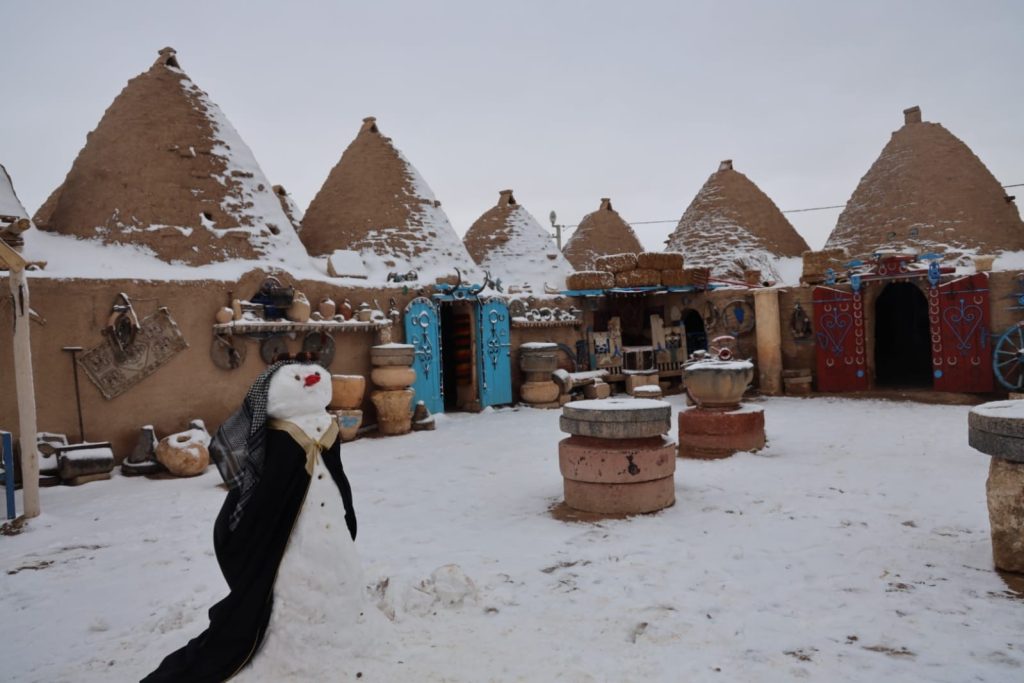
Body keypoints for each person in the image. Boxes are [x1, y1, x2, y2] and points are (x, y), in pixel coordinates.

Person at [142, 354, 359, 682]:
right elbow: (268, 490)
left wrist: (346, 513)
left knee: (333, 579)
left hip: (329, 536)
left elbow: (337, 472)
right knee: (286, 588)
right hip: (292, 546)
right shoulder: (278, 432)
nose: (310, 380)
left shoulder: (326, 424)